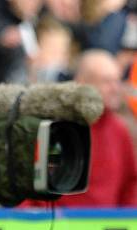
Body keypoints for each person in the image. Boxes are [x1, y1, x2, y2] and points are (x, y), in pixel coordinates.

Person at [23, 49, 137, 207]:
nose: (115, 88)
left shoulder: (119, 129)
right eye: (106, 81)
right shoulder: (55, 127)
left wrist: (126, 219)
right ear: (83, 83)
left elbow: (131, 183)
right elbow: (26, 181)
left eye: (117, 81)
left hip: (105, 227)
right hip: (56, 226)